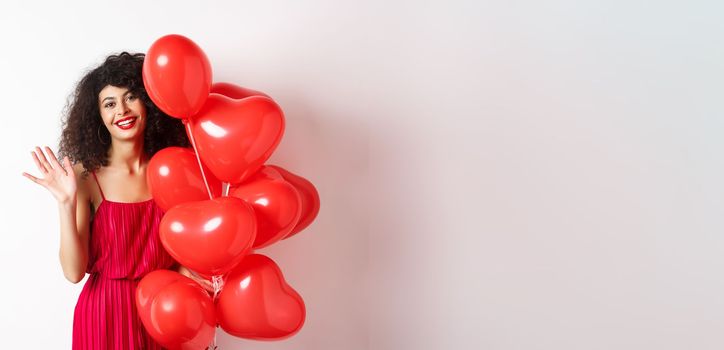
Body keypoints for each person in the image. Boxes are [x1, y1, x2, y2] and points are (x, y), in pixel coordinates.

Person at [22, 52, 212, 349]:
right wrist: (65, 202)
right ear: (98, 115)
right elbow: (73, 273)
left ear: (149, 103)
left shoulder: (175, 168)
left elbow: (184, 241)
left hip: (163, 309)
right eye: (109, 104)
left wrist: (181, 271)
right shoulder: (85, 177)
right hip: (105, 316)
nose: (122, 110)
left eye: (131, 97)